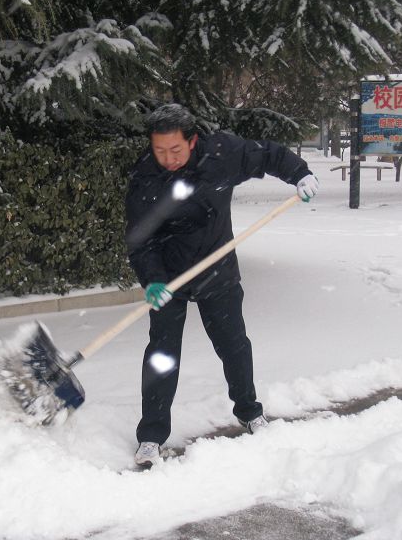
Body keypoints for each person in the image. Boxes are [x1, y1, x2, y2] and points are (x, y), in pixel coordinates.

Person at [125, 104, 318, 467]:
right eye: (159, 150)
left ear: (192, 140)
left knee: (233, 345)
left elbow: (267, 154)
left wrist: (300, 174)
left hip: (217, 270)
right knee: (162, 355)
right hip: (170, 277)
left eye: (175, 149)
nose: (167, 158)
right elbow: (140, 239)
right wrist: (153, 280)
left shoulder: (220, 154)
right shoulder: (145, 177)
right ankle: (151, 435)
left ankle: (249, 411)